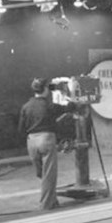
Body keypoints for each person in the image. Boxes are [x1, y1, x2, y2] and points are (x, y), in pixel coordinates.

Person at [17, 78, 75, 210]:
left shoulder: (26, 106)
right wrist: (67, 93)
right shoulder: (49, 105)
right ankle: (46, 205)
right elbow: (71, 107)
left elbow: (21, 129)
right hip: (46, 140)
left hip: (31, 142)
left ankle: (52, 200)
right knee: (48, 174)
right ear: (46, 89)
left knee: (42, 174)